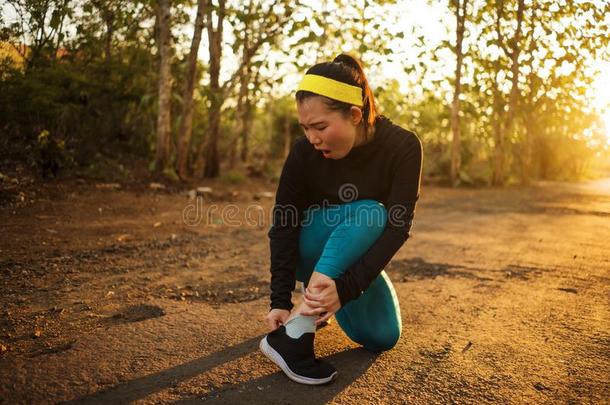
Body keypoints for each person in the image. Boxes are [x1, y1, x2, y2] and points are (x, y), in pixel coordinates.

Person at [259, 53, 423, 385]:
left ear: (355, 115)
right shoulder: (304, 152)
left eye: (320, 127)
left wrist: (345, 290)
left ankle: (316, 297)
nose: (312, 138)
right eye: (305, 128)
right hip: (311, 249)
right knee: (370, 210)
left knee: (382, 337)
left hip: (347, 258)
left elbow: (398, 227)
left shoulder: (403, 146)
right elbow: (285, 224)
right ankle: (296, 332)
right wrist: (279, 299)